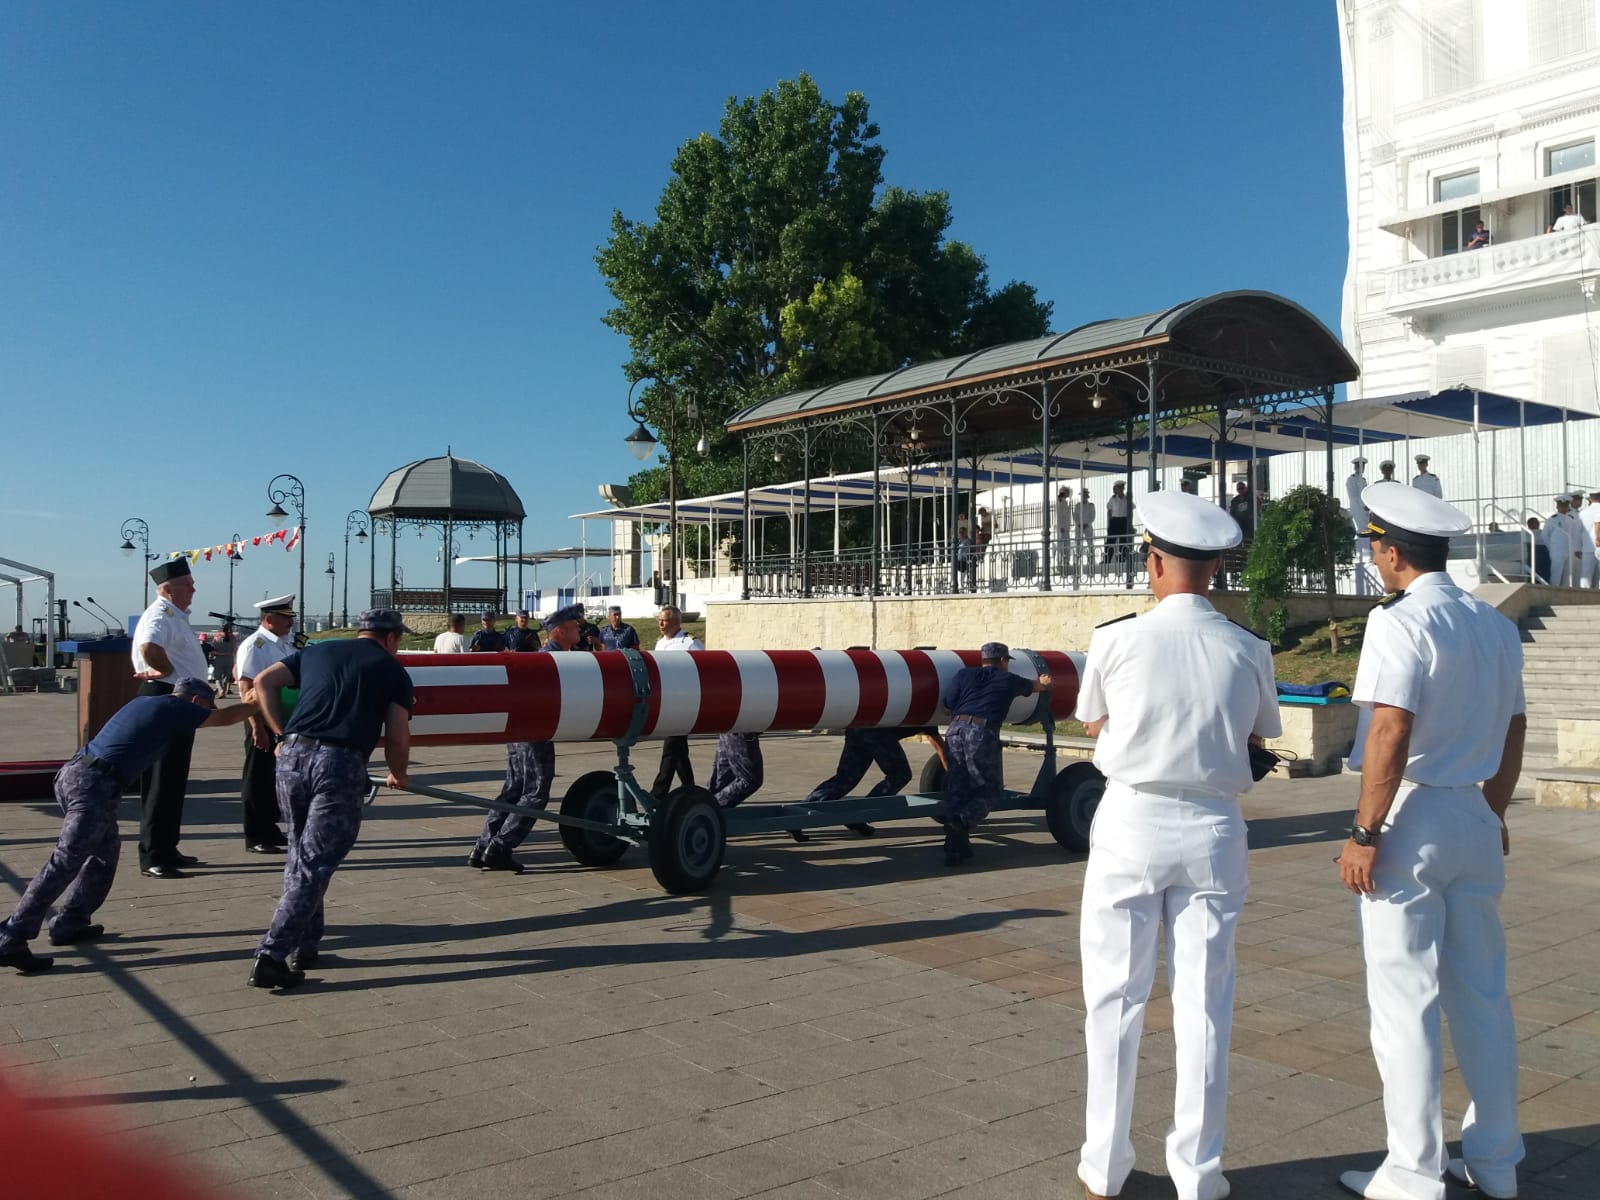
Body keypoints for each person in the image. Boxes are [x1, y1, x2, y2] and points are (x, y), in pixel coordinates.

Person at [1073, 490, 1279, 1200]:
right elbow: (1259, 734)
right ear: (1216, 567)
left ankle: (1104, 1166)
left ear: (1153, 561)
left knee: (1114, 998)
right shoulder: (1249, 647)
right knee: (1205, 1003)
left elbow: (1092, 722)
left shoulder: (1116, 639)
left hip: (1132, 818)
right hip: (1214, 826)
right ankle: (1199, 1172)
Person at [1335, 482, 1526, 1200]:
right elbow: (1515, 727)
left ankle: (1412, 1171)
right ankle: (1496, 1161)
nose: (1375, 560)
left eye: (1375, 548)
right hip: (1474, 809)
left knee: (1405, 1000)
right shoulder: (1492, 623)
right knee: (1483, 996)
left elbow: (1391, 728)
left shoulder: (1399, 621)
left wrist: (1364, 832)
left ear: (1391, 552)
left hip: (1413, 815)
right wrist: (1493, 812)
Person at [0, 679, 258, 974]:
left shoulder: (148, 702)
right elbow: (224, 718)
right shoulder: (176, 707)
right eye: (207, 707)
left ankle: (71, 921)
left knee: (104, 854)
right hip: (93, 785)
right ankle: (11, 936)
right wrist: (258, 702)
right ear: (196, 701)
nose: (205, 715)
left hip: (79, 777)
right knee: (66, 861)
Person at [246, 608, 415, 990]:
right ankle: (270, 956)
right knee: (314, 863)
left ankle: (305, 944)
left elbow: (263, 681)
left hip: (292, 758)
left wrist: (279, 734)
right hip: (338, 765)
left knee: (300, 853)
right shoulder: (392, 670)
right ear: (390, 638)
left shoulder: (316, 651)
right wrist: (399, 772)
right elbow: (397, 734)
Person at [469, 604, 583, 874]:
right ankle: (499, 848)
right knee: (536, 792)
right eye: (575, 626)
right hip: (535, 733)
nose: (579, 629)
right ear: (560, 631)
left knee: (513, 789)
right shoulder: (555, 661)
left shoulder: (543, 657)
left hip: (519, 731)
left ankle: (482, 847)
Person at [131, 559, 211, 878]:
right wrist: (164, 671)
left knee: (174, 778)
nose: (193, 589)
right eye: (187, 584)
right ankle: (153, 855)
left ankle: (167, 847)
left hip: (180, 700)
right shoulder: (161, 613)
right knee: (161, 778)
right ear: (167, 589)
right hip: (165, 696)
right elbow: (149, 647)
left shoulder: (175, 615)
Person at [939, 643, 1050, 867]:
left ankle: (954, 850)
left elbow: (948, 705)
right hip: (980, 733)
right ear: (1003, 660)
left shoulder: (964, 674)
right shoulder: (1008, 679)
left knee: (957, 789)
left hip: (954, 732)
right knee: (990, 790)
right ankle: (961, 821)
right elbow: (1038, 687)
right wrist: (1046, 682)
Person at [234, 595, 297, 854]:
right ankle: (256, 834)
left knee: (273, 776)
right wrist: (256, 726)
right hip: (261, 716)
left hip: (281, 717)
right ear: (269, 620)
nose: (290, 623)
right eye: (285, 618)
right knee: (257, 776)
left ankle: (269, 829)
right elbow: (246, 686)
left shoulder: (283, 643)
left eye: (291, 618)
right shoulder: (256, 645)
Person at [650, 606, 702, 799]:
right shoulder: (660, 643)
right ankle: (689, 786)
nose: (660, 624)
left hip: (684, 703)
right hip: (667, 702)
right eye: (659, 620)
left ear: (676, 622)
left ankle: (659, 792)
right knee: (678, 748)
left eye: (664, 620)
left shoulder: (690, 643)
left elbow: (702, 671)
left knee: (671, 746)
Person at [706, 733, 763, 809]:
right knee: (749, 780)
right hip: (743, 732)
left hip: (730, 733)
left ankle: (702, 805)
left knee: (722, 780)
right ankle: (708, 807)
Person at [1347, 457, 1374, 596]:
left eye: (1363, 466)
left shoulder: (1363, 480)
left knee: (1366, 531)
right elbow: (1353, 496)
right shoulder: (1351, 479)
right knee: (1361, 531)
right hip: (1357, 508)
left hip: (1364, 509)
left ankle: (1366, 554)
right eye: (1359, 466)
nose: (1361, 469)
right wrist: (1362, 506)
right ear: (1355, 467)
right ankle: (1361, 554)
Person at [1547, 496, 1574, 586]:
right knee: (1556, 574)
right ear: (1557, 507)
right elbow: (1545, 535)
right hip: (1557, 550)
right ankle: (1554, 591)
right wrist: (1551, 547)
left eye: (1565, 506)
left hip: (1569, 550)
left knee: (1568, 575)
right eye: (1561, 506)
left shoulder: (1571, 519)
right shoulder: (1552, 520)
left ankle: (1566, 592)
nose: (1563, 508)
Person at [1105, 481, 1132, 566]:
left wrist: (1130, 523)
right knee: (1110, 541)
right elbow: (1109, 511)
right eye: (1118, 488)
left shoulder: (1127, 499)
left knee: (1123, 541)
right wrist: (1109, 523)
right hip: (1114, 521)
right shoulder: (1112, 499)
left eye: (1121, 488)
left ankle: (1122, 559)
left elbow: (1130, 511)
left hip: (1123, 520)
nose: (1119, 490)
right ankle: (1107, 559)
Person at [1580, 489, 1600, 588]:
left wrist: (1577, 547)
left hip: (1587, 546)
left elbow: (1578, 531)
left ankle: (1584, 594)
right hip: (1598, 543)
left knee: (1586, 573)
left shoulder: (1583, 512)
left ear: (1590, 499)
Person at [1074, 488, 1097, 568]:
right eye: (1082, 495)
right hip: (1079, 527)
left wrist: (1087, 524)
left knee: (1090, 543)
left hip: (1088, 526)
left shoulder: (1091, 506)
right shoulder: (1077, 506)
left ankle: (1091, 559)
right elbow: (1075, 516)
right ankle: (1077, 559)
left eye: (1085, 495)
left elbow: (1092, 516)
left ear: (1087, 496)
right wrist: (1079, 524)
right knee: (1078, 543)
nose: (1083, 497)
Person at [1526, 517, 1552, 585]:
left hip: (1543, 552)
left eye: (1537, 522)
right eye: (1534, 523)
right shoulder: (1526, 534)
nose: (1537, 524)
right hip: (1536, 552)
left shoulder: (1543, 533)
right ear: (1529, 524)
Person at [1054, 487, 1074, 571]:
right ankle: (1060, 562)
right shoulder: (1060, 503)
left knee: (1066, 545)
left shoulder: (1065, 502)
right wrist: (1061, 527)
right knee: (1061, 545)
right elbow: (1059, 516)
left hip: (1066, 527)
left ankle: (1066, 561)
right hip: (1062, 528)